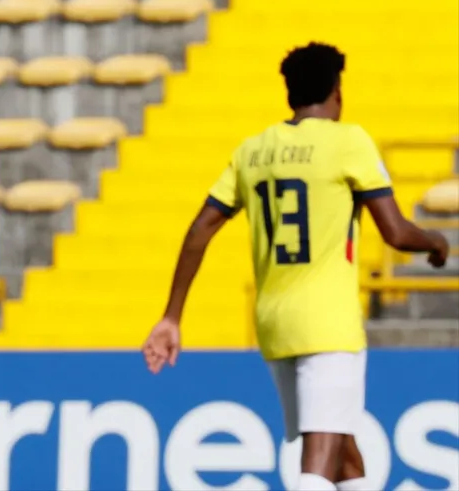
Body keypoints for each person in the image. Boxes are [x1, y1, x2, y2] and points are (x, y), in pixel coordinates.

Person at [142, 43, 450, 491]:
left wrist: (172, 316)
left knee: (344, 454)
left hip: (276, 324)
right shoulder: (348, 141)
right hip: (327, 323)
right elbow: (396, 233)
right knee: (319, 462)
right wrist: (437, 243)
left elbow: (199, 231)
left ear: (290, 94)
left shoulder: (252, 152)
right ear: (337, 92)